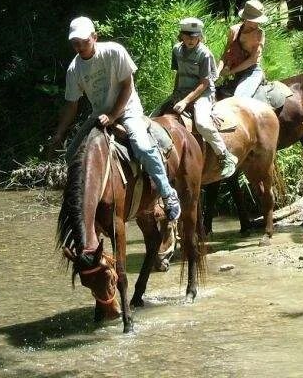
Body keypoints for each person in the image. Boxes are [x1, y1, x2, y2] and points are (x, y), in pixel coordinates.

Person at [48, 16, 181, 249]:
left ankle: (167, 193)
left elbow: (128, 86)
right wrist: (59, 133)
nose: (79, 47)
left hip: (128, 109)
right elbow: (72, 105)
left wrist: (113, 115)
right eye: (75, 43)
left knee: (142, 146)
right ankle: (86, 209)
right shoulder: (74, 68)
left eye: (83, 42)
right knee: (72, 156)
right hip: (99, 116)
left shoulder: (113, 52)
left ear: (94, 38)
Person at [172, 17, 239, 178]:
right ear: (181, 35)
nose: (190, 40)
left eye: (194, 36)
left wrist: (185, 101)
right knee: (155, 115)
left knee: (202, 123)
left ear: (200, 36)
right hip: (182, 91)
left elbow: (204, 83)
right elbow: (178, 74)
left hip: (203, 93)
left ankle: (225, 156)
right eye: (187, 36)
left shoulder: (205, 54)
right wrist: (175, 94)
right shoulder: (176, 50)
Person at [218, 0, 268, 98]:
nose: (257, 24)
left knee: (240, 98)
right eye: (254, 20)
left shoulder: (259, 34)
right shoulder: (234, 30)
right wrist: (218, 71)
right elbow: (226, 54)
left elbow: (252, 60)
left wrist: (230, 72)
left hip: (252, 71)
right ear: (246, 18)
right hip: (234, 70)